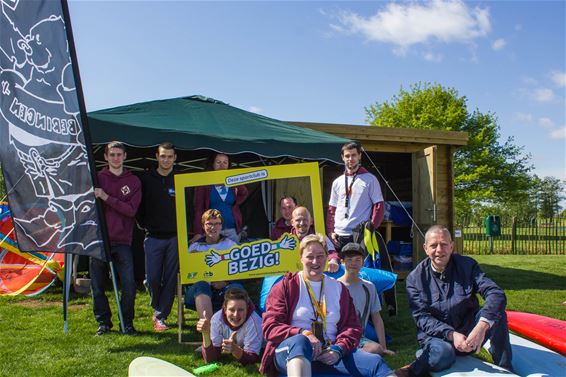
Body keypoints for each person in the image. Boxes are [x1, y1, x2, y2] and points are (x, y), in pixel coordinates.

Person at [260, 234, 393, 377]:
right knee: (300, 342)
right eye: (310, 256)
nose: (315, 261)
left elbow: (352, 327)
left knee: (375, 362)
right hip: (291, 353)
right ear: (301, 258)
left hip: (328, 353)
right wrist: (303, 333)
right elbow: (270, 327)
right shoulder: (286, 286)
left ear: (327, 258)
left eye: (320, 256)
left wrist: (339, 349)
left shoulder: (339, 288)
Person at [397, 225, 512, 377]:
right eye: (433, 245)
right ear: (425, 248)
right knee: (444, 354)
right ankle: (414, 367)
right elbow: (421, 317)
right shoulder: (414, 278)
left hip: (470, 331)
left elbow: (495, 293)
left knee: (497, 315)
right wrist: (451, 334)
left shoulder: (467, 265)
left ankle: (506, 369)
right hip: (437, 337)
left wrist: (481, 327)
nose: (439, 250)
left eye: (444, 244)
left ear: (452, 246)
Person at [91, 141, 142, 335]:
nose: (115, 158)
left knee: (129, 285)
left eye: (119, 154)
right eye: (112, 154)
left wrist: (106, 197)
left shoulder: (133, 181)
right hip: (98, 240)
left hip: (123, 241)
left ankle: (126, 323)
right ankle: (104, 323)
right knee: (97, 286)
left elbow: (130, 211)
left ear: (125, 156)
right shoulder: (97, 179)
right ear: (105, 157)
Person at [137, 142, 179, 332]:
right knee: (153, 278)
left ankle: (160, 316)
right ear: (157, 157)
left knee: (170, 279)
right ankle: (157, 305)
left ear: (174, 158)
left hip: (174, 237)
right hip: (153, 236)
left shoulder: (179, 179)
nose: (166, 160)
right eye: (163, 156)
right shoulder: (146, 179)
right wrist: (144, 224)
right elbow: (138, 207)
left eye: (170, 156)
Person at [337, 243, 394, 357]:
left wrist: (383, 347)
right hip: (336, 337)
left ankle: (351, 353)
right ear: (342, 262)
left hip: (358, 338)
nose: (353, 263)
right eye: (349, 259)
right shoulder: (334, 285)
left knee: (376, 349)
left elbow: (376, 318)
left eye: (357, 260)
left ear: (363, 263)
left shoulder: (369, 287)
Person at [186, 209, 243, 321]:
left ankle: (232, 328)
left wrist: (225, 282)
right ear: (203, 226)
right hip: (199, 291)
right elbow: (188, 276)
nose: (213, 227)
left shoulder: (231, 246)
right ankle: (209, 331)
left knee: (236, 288)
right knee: (202, 285)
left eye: (217, 223)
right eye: (209, 224)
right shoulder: (195, 247)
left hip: (224, 287)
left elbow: (240, 272)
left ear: (221, 226)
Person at [326, 142, 384, 250]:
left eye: (353, 155)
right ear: (342, 157)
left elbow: (379, 206)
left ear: (359, 156)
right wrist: (330, 232)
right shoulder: (337, 182)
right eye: (347, 156)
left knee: (358, 266)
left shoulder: (370, 179)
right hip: (338, 235)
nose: (350, 159)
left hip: (359, 234)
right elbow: (331, 209)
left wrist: (370, 230)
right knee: (338, 266)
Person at [196, 287, 263, 365]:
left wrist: (235, 350)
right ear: (225, 309)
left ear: (247, 308)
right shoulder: (217, 319)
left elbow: (252, 359)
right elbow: (211, 359)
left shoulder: (255, 322)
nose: (236, 315)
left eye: (241, 310)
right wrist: (206, 334)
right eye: (231, 310)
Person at [193, 153, 248, 243]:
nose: (222, 165)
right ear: (213, 164)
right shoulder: (204, 183)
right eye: (218, 162)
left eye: (225, 162)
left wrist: (235, 179)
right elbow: (198, 209)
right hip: (212, 230)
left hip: (232, 230)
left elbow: (244, 193)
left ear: (228, 165)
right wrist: (198, 232)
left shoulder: (232, 182)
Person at [291, 206, 340, 273]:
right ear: (292, 222)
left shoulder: (320, 236)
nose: (302, 223)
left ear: (311, 221)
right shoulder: (287, 240)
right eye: (298, 220)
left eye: (305, 219)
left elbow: (332, 252)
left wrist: (333, 260)